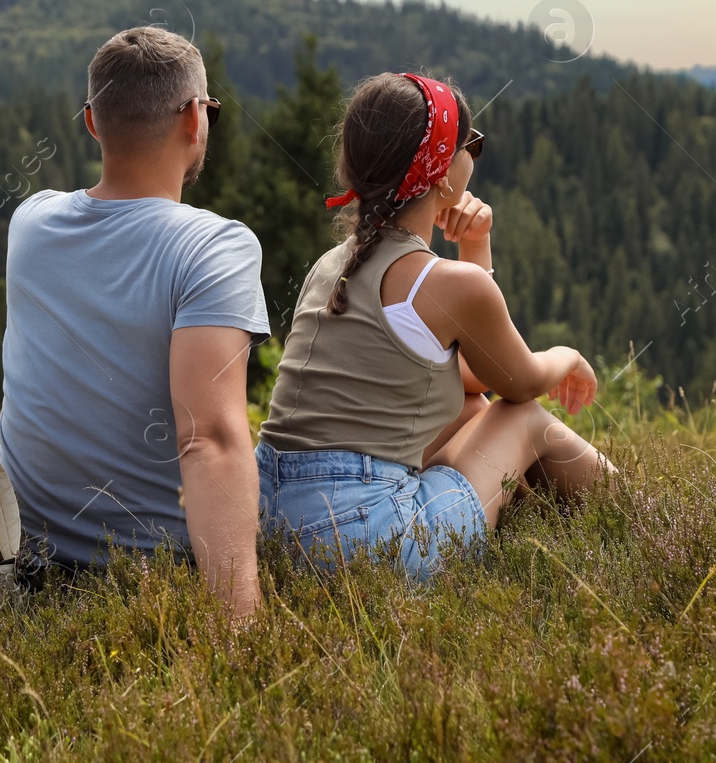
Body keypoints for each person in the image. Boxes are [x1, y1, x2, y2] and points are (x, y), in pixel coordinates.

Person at [256, 71, 615, 580]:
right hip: (366, 543)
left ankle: (539, 512)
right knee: (525, 416)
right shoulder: (447, 284)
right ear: (443, 172)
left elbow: (472, 378)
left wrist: (476, 247)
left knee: (471, 406)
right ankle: (635, 516)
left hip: (271, 524)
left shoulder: (332, 265)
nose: (476, 154)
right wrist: (570, 357)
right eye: (473, 144)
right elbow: (522, 382)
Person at [0, 27, 268, 618]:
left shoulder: (30, 221)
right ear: (195, 120)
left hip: (26, 550)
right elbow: (211, 442)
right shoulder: (214, 247)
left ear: (92, 123)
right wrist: (242, 630)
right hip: (152, 563)